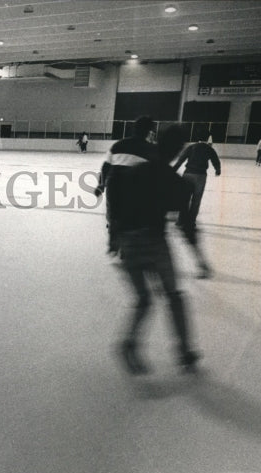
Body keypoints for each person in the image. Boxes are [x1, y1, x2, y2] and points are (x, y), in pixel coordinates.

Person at [111, 124, 199, 375]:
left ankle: (129, 343)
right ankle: (184, 352)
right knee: (173, 297)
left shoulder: (136, 171)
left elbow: (117, 206)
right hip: (154, 244)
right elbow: (185, 224)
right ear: (178, 150)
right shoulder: (177, 184)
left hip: (129, 242)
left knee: (144, 300)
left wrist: (115, 238)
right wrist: (199, 258)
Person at [95, 116, 157, 255]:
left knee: (113, 215)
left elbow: (106, 166)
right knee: (131, 217)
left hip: (114, 184)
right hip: (135, 187)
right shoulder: (151, 149)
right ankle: (125, 248)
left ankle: (114, 243)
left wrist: (101, 185)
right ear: (149, 131)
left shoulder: (118, 145)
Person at [173, 130, 221, 279]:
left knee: (184, 199)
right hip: (200, 176)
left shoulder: (191, 147)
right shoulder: (209, 148)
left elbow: (181, 159)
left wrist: (173, 170)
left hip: (188, 174)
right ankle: (191, 222)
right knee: (196, 200)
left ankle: (181, 220)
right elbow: (215, 160)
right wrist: (218, 170)